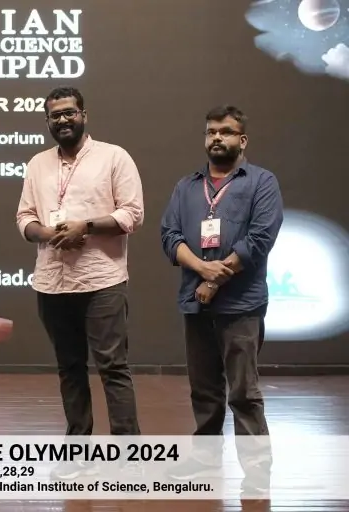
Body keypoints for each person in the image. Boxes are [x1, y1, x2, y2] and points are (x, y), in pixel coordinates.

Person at [15, 86, 144, 480]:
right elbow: (24, 217)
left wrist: (84, 226)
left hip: (101, 280)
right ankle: (77, 453)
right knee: (69, 369)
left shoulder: (114, 157)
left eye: (69, 113)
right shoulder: (37, 164)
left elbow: (132, 214)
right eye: (55, 115)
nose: (63, 120)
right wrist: (46, 233)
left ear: (83, 115)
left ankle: (129, 456)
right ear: (48, 121)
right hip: (52, 283)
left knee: (113, 367)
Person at [160, 105, 280, 489]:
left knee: (243, 391)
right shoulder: (187, 186)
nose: (216, 138)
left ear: (241, 140)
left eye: (225, 132)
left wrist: (213, 280)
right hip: (195, 303)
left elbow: (259, 239)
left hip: (241, 305)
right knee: (204, 390)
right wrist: (201, 267)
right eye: (211, 131)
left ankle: (257, 472)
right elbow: (170, 236)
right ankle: (205, 460)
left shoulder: (261, 182)